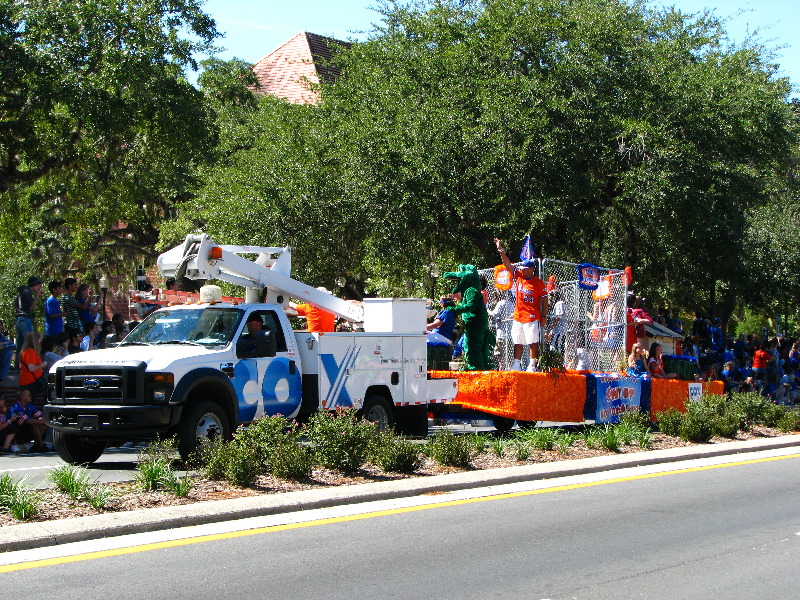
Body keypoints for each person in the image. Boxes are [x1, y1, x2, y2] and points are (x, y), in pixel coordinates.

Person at [494, 237, 547, 372]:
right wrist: (501, 250)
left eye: (525, 268)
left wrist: (544, 315)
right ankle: (516, 363)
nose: (522, 270)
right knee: (517, 341)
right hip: (518, 316)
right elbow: (507, 265)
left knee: (532, 341)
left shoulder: (538, 283)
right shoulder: (519, 276)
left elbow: (544, 300)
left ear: (531, 269)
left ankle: (532, 365)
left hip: (531, 317)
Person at [13, 276, 42, 370]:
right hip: (25, 319)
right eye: (38, 286)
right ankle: (27, 365)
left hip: (19, 319)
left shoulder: (22, 292)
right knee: (29, 343)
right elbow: (30, 307)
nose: (39, 288)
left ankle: (18, 367)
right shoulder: (27, 292)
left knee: (20, 345)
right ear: (33, 285)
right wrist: (37, 297)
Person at [18, 332, 48, 400]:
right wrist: (42, 365)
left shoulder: (25, 351)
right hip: (30, 382)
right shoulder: (30, 352)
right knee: (29, 402)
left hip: (27, 381)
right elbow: (31, 368)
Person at [489, 291, 514, 370]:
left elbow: (494, 314)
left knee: (500, 355)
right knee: (509, 356)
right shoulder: (511, 304)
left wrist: (487, 310)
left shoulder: (501, 303)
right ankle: (509, 369)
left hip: (501, 334)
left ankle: (501, 369)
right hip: (510, 334)